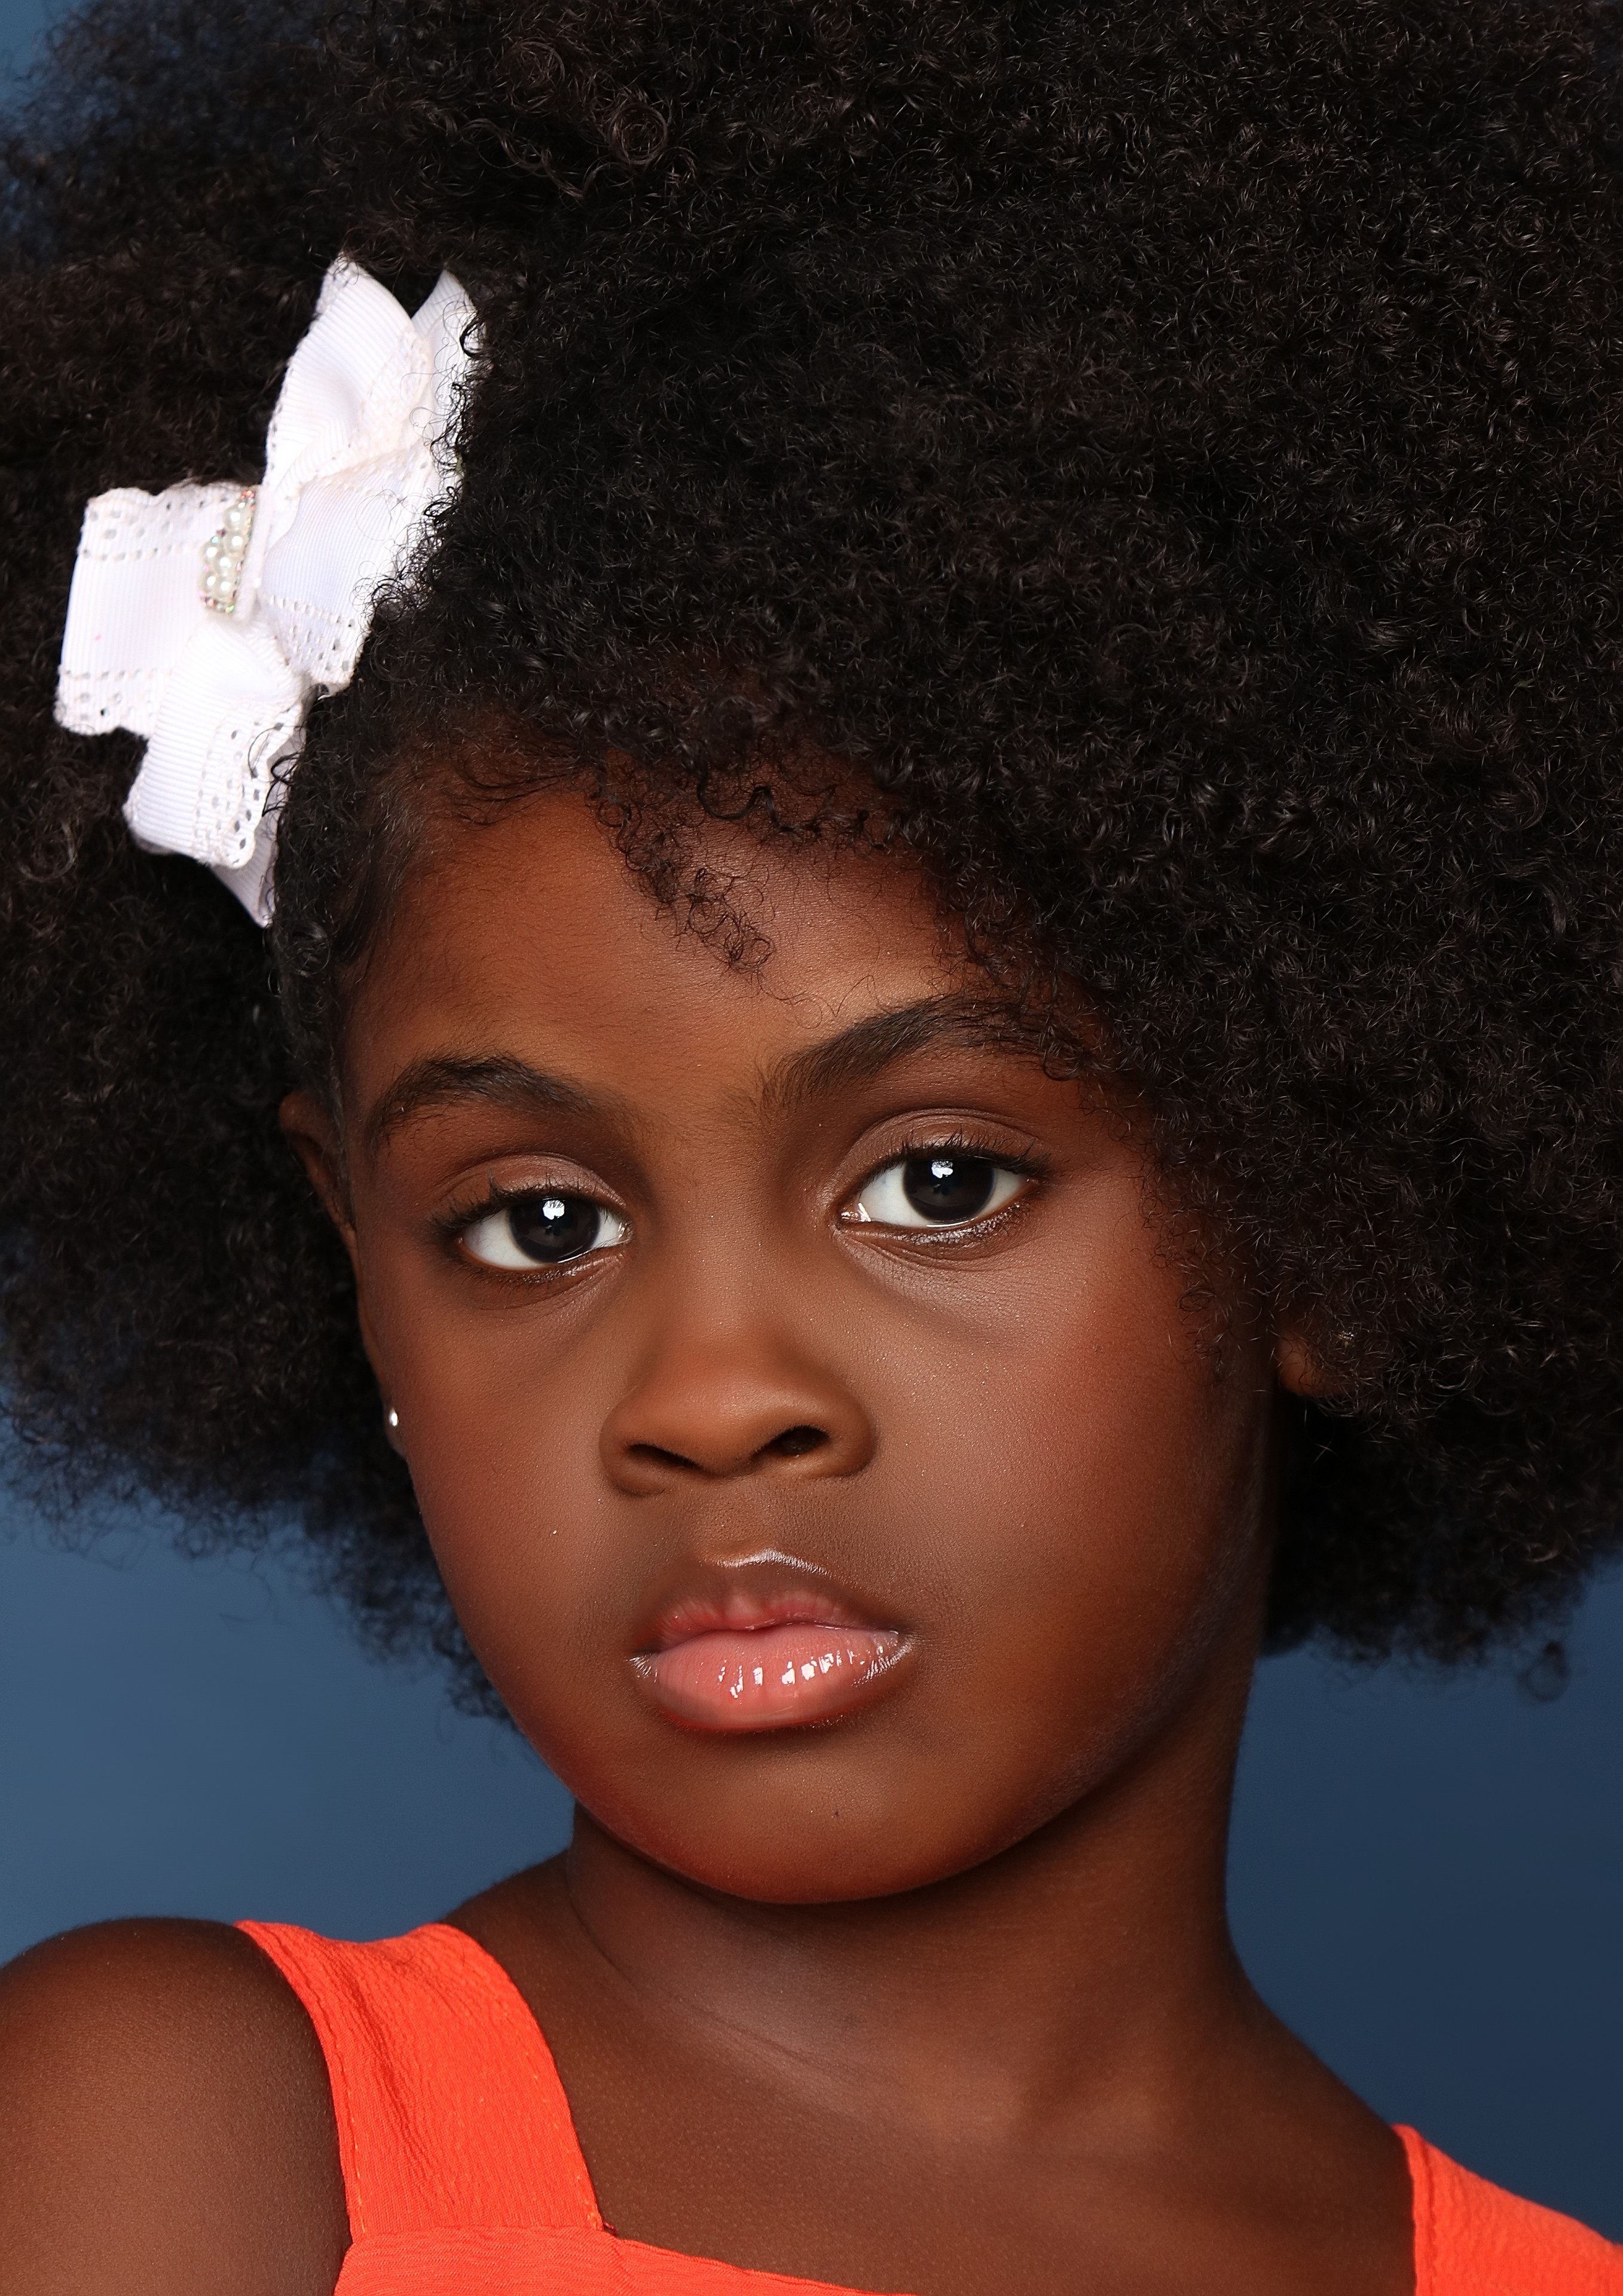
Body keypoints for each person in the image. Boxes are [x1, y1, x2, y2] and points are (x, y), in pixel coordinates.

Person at [1, 1, 1619, 2288]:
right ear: (352, 1255)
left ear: (1326, 1214)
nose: (708, 1394)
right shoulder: (187, 2145)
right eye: (536, 1223)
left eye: (936, 1182)